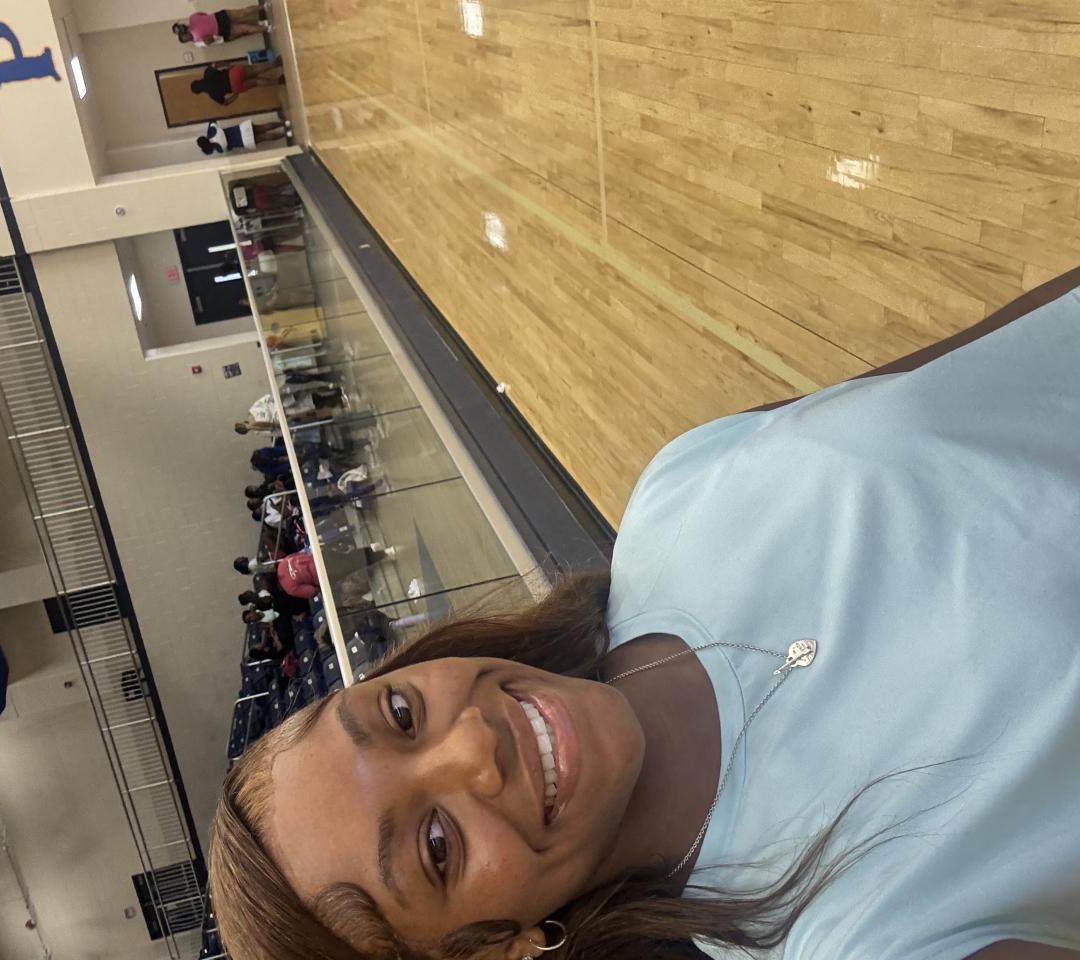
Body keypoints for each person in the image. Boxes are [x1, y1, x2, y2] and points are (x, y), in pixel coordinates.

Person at [207, 282, 1080, 960]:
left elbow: (1007, 349)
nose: (472, 742)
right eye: (438, 847)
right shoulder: (858, 936)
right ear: (497, 951)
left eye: (401, 714)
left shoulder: (673, 501)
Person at [190, 63, 283, 108]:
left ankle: (278, 81)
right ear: (197, 80)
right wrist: (228, 64)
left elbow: (225, 103)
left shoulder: (212, 95)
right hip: (232, 74)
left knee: (256, 82)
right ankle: (275, 63)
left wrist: (235, 95)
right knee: (255, 69)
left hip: (234, 87)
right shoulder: (207, 74)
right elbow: (215, 64)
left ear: (201, 92)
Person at [173, 8, 268, 45]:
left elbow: (203, 14)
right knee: (244, 26)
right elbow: (210, 40)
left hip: (219, 18)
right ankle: (267, 26)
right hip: (220, 28)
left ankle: (264, 8)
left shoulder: (192, 18)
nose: (187, 37)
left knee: (243, 15)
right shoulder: (197, 41)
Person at [197, 119, 289, 155]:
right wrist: (208, 133)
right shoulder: (212, 131)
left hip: (244, 141)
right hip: (241, 129)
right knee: (263, 127)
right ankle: (284, 123)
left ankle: (286, 134)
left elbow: (230, 149)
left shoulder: (220, 149)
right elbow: (212, 121)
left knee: (265, 137)